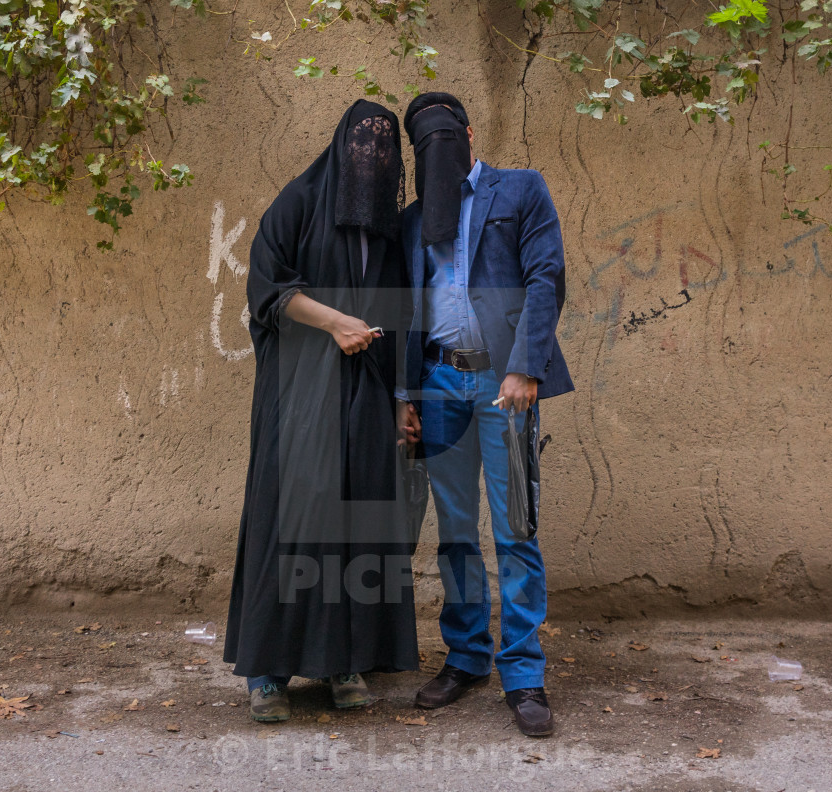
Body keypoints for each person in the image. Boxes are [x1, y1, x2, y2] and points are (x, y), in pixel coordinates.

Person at [223, 100, 419, 723]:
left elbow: (406, 319)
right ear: (339, 145)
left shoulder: (390, 231)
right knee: (291, 516)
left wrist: (401, 402)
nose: (370, 154)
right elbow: (266, 288)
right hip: (300, 393)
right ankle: (268, 672)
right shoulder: (299, 203)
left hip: (366, 396)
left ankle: (344, 659)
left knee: (357, 518)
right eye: (360, 141)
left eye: (384, 146)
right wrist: (334, 323)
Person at [399, 92, 573, 737]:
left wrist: (526, 367)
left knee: (517, 529)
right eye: (426, 146)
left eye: (447, 137)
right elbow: (406, 308)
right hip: (440, 382)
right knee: (454, 531)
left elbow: (546, 277)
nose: (440, 151)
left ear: (470, 135)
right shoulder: (415, 217)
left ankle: (523, 672)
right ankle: (467, 656)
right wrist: (405, 396)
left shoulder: (521, 189)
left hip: (505, 386)